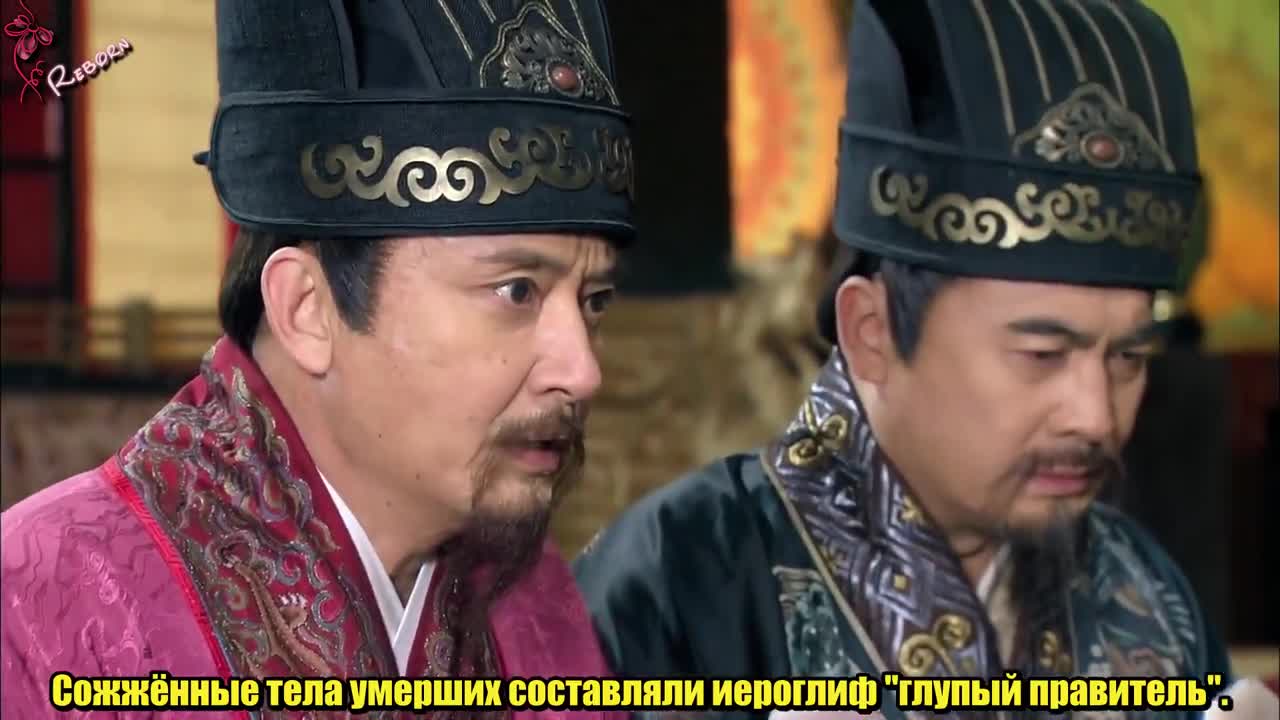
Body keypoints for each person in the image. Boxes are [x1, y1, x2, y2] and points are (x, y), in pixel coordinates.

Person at [574, 1, 1240, 719]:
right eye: (1042, 354)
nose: (1096, 416)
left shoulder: (1149, 597)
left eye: (1129, 356)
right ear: (873, 333)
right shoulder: (678, 580)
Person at [2, 1, 634, 718]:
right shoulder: (38, 608)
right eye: (516, 290)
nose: (582, 372)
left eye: (594, 300)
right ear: (307, 309)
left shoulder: (532, 596)